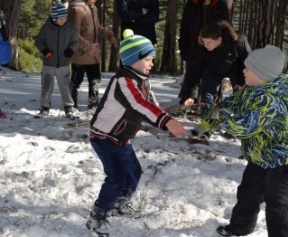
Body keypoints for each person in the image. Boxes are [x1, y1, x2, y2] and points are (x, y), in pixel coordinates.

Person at [86, 29, 186, 234]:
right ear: (132, 59)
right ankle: (98, 215)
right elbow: (139, 104)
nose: (152, 63)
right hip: (105, 138)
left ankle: (120, 202)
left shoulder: (142, 79)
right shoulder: (124, 81)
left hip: (122, 138)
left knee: (134, 173)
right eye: (148, 59)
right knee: (117, 177)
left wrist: (164, 119)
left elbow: (151, 103)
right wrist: (164, 121)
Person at [194, 45, 288, 237]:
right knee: (247, 194)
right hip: (258, 156)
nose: (243, 70)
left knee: (278, 203)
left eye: (248, 69)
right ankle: (240, 228)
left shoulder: (268, 100)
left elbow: (244, 127)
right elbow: (228, 104)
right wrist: (210, 120)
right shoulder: (250, 90)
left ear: (262, 75)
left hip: (280, 160)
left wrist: (224, 116)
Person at [181, 20, 251, 113]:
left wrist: (241, 81)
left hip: (236, 68)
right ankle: (208, 118)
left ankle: (238, 119)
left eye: (208, 42)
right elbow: (194, 71)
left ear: (219, 39)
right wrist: (190, 96)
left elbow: (248, 61)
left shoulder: (238, 40)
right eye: (204, 41)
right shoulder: (201, 46)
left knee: (240, 94)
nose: (205, 45)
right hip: (212, 69)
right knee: (206, 94)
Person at [67, 0, 118, 111]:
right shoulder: (75, 9)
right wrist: (89, 46)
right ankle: (71, 104)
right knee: (76, 81)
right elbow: (73, 34)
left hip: (93, 54)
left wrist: (110, 36)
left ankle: (93, 105)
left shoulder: (93, 8)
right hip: (80, 54)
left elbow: (98, 27)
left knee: (95, 80)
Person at [178, 0, 230, 105]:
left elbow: (226, 26)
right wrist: (182, 45)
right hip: (193, 44)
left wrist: (223, 46)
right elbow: (185, 26)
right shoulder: (192, 3)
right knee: (192, 74)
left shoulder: (220, 4)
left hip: (213, 46)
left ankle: (209, 103)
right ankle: (187, 101)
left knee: (211, 75)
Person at [34, 2, 79, 118]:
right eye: (61, 18)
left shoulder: (69, 28)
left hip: (63, 63)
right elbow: (39, 41)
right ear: (54, 18)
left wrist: (70, 49)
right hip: (49, 63)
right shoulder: (46, 28)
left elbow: (75, 41)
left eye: (65, 18)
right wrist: (45, 50)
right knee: (47, 85)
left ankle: (68, 107)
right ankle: (45, 107)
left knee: (65, 86)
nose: (64, 20)